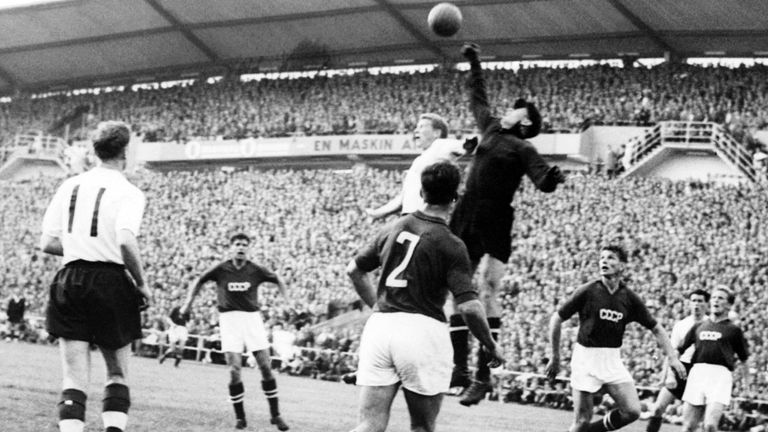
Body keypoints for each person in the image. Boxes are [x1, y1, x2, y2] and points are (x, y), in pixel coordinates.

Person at [449, 42, 567, 404]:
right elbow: (476, 93)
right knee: (458, 289)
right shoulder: (488, 128)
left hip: (497, 216)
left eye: (516, 109)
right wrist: (474, 61)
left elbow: (541, 180)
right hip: (467, 212)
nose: (509, 110)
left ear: (526, 120)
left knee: (488, 289)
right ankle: (460, 369)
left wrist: (553, 178)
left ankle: (483, 373)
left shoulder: (523, 149)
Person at [346, 161, 503, 432]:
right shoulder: (451, 244)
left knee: (369, 424)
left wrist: (377, 306)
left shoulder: (393, 227)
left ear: (421, 192)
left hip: (381, 327)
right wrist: (490, 344)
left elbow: (354, 270)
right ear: (455, 198)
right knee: (422, 427)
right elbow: (468, 306)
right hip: (422, 331)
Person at [40, 121, 150, 432]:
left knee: (74, 377)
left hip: (70, 277)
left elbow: (47, 242)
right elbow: (126, 240)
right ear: (125, 152)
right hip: (110, 280)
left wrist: (81, 246)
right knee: (116, 373)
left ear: (95, 151)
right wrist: (141, 284)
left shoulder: (70, 185)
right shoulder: (128, 192)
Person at [545, 245, 686, 432]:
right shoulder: (588, 291)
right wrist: (555, 356)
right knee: (581, 422)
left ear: (622, 266)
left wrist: (673, 358)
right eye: (602, 258)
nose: (604, 261)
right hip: (585, 357)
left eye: (611, 258)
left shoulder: (628, 298)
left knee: (632, 411)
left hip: (611, 358)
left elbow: (656, 328)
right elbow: (556, 319)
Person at [180, 233, 290, 431]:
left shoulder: (255, 270)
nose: (241, 247)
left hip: (252, 319)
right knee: (234, 370)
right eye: (237, 244)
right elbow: (199, 280)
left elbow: (278, 279)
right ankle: (240, 418)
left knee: (265, 366)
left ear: (248, 249)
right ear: (231, 247)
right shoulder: (221, 269)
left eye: (244, 245)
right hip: (229, 320)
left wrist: (287, 302)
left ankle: (276, 415)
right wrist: (188, 303)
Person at [366, 112, 470, 220]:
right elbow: (403, 197)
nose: (416, 130)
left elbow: (461, 146)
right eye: (416, 127)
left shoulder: (439, 145)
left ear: (436, 133)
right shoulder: (419, 160)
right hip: (410, 218)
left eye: (421, 127)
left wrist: (469, 145)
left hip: (426, 219)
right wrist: (378, 213)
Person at [679, 286, 750, 432]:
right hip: (697, 373)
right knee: (688, 427)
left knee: (710, 426)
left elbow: (744, 360)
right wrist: (671, 373)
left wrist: (747, 387)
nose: (716, 300)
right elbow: (679, 350)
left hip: (720, 376)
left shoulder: (734, 330)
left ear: (729, 305)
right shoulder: (699, 326)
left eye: (721, 298)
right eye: (714, 297)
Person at [645, 289, 710, 432]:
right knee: (657, 409)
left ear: (707, 304)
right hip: (681, 368)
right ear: (689, 303)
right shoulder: (681, 325)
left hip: (699, 371)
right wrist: (667, 375)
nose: (696, 304)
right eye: (693, 300)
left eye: (700, 301)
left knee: (690, 424)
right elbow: (672, 353)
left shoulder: (710, 325)